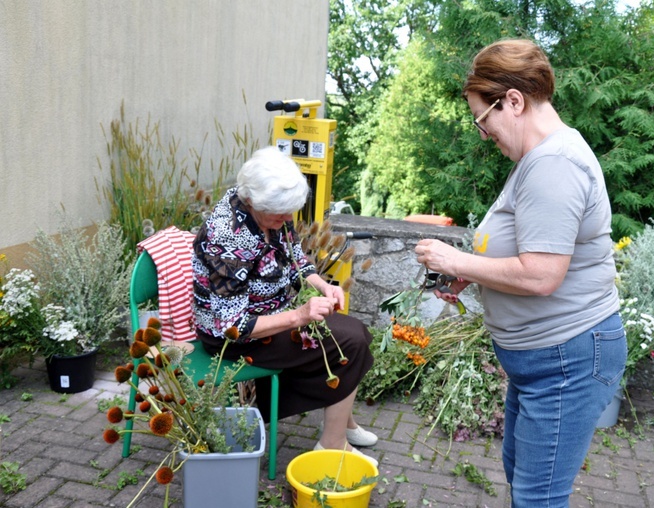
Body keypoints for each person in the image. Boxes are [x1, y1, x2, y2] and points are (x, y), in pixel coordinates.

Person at [414, 39, 625, 507]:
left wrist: (454, 261)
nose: (483, 133)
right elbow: (530, 250)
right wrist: (478, 274)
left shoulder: (554, 164)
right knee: (523, 478)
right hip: (544, 361)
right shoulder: (539, 159)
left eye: (482, 119)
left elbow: (541, 275)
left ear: (513, 101)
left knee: (538, 497)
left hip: (566, 359)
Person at [191, 146, 378, 467]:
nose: (288, 220)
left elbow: (293, 255)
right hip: (233, 339)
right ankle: (333, 444)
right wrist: (300, 316)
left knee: (356, 334)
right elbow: (233, 327)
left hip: (273, 315)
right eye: (281, 215)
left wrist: (321, 284)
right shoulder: (228, 237)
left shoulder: (266, 207)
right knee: (352, 341)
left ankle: (341, 421)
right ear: (253, 202)